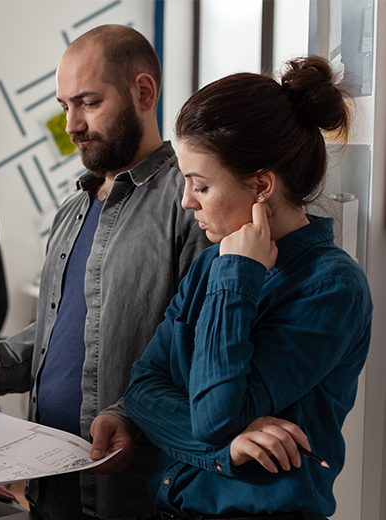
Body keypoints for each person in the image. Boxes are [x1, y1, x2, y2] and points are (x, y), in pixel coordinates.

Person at [0, 25, 210, 520]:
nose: (71, 124)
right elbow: (57, 337)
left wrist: (132, 422)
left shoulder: (189, 203)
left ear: (143, 92)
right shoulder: (72, 209)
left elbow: (200, 351)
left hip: (133, 495)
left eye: (88, 103)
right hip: (50, 485)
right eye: (64, 106)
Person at [122, 56, 372, 519]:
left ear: (261, 186)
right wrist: (228, 446)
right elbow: (142, 390)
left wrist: (238, 275)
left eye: (200, 185)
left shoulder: (331, 288)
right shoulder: (209, 263)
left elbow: (215, 415)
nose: (185, 201)